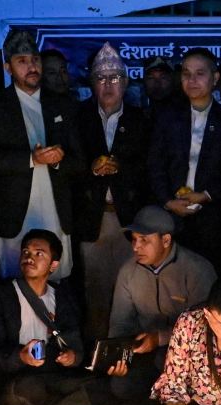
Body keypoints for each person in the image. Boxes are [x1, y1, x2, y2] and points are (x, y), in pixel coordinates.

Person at [0, 28, 84, 281]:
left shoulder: (64, 105)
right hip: (12, 215)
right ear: (8, 67)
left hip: (55, 212)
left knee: (55, 284)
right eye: (21, 62)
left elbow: (79, 162)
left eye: (35, 60)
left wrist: (57, 162)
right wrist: (32, 159)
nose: (31, 66)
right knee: (13, 283)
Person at [147, 48, 221, 276]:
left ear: (215, 78)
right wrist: (167, 201)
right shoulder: (167, 117)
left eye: (200, 73)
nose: (192, 80)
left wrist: (207, 194)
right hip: (173, 218)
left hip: (217, 219)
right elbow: (155, 164)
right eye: (186, 74)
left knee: (214, 281)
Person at [0, 229, 89, 405]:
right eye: (26, 253)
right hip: (17, 378)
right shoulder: (1, 296)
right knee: (26, 389)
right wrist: (21, 356)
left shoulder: (61, 297)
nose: (29, 258)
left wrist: (72, 356)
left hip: (51, 375)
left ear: (53, 265)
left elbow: (73, 339)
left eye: (39, 253)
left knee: (103, 387)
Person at [76, 42, 149, 341]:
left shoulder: (140, 120)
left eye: (115, 78)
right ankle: (96, 355)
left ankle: (127, 354)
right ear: (91, 83)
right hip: (91, 217)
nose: (108, 85)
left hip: (128, 218)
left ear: (127, 82)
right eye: (101, 78)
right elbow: (67, 163)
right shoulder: (77, 117)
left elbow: (149, 167)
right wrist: (91, 169)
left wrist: (122, 167)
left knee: (131, 291)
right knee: (93, 291)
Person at [107, 206, 217, 401]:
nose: (135, 247)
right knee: (120, 385)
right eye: (134, 239)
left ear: (166, 240)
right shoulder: (128, 272)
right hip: (144, 350)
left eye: (144, 240)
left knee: (164, 362)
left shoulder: (196, 269)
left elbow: (205, 324)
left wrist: (160, 338)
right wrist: (117, 355)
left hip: (188, 353)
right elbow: (120, 323)